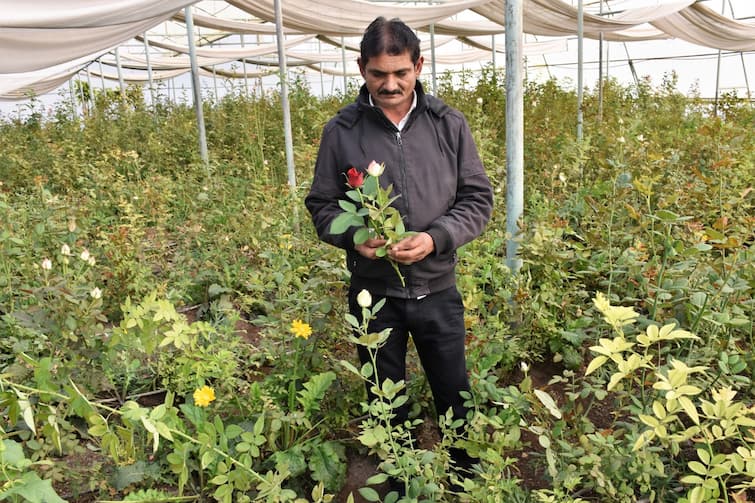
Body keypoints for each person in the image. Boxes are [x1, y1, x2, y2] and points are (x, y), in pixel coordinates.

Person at [304, 15, 493, 490]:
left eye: (401, 73)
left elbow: (477, 199)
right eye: (378, 74)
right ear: (361, 68)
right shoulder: (342, 131)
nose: (390, 85)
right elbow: (322, 204)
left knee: (454, 389)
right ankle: (398, 478)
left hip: (438, 287)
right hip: (375, 293)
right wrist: (352, 239)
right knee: (384, 394)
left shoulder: (447, 124)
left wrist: (435, 237)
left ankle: (462, 477)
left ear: (419, 66)